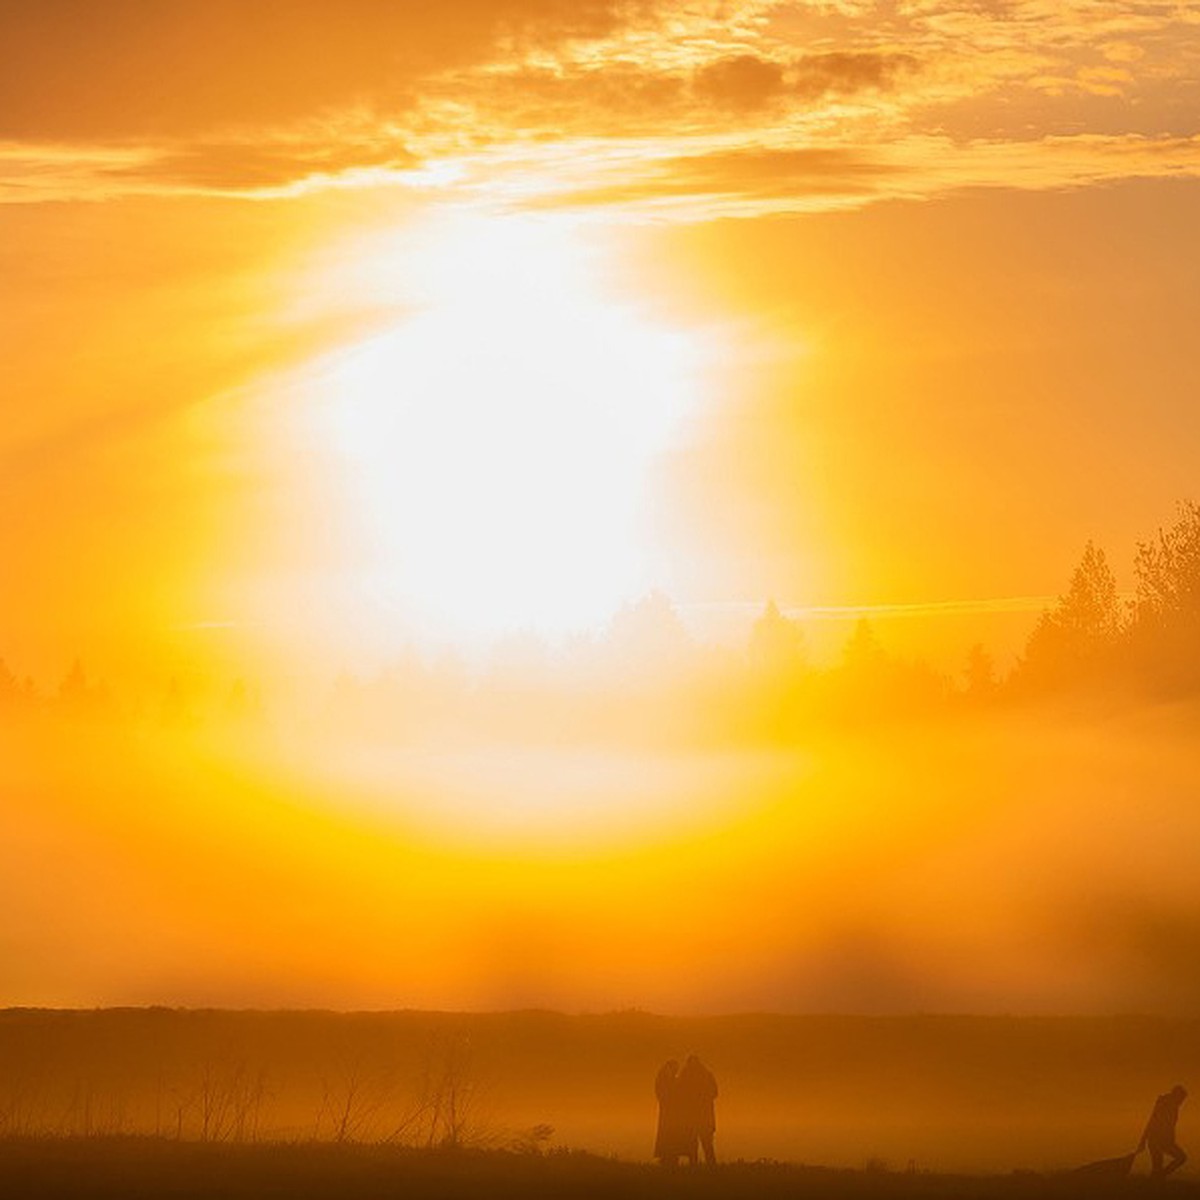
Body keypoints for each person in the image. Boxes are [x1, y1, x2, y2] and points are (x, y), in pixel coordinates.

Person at [675, 1053, 718, 1166]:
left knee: (692, 1144)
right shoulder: (707, 1075)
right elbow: (715, 1092)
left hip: (691, 1116)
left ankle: (694, 1166)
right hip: (704, 1116)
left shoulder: (684, 1075)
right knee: (707, 1144)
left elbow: (678, 1094)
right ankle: (712, 1167)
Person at [1138, 1085, 1188, 1178]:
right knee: (1159, 1166)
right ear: (1177, 1096)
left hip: (1165, 1142)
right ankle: (1158, 1179)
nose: (1181, 1102)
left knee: (1180, 1158)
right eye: (1181, 1099)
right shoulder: (1164, 1105)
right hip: (1156, 1140)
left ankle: (1159, 1177)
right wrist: (1143, 1141)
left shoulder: (1172, 1106)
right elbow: (1152, 1122)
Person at [653, 1059, 690, 1167]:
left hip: (669, 1113)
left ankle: (669, 1157)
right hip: (669, 1113)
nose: (676, 1072)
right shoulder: (666, 1078)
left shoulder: (664, 1077)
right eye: (675, 1069)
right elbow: (667, 1094)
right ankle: (669, 1157)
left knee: (669, 1135)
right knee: (668, 1134)